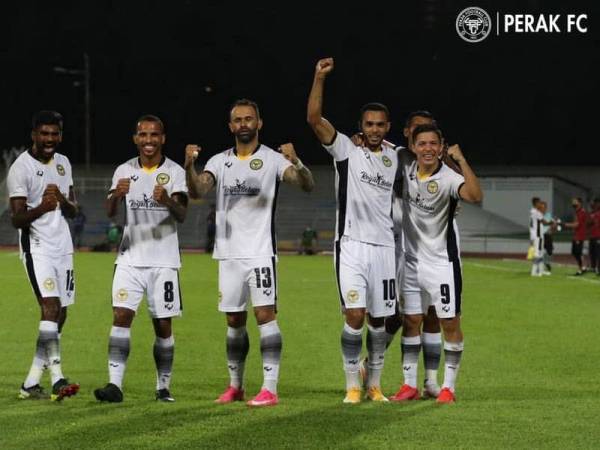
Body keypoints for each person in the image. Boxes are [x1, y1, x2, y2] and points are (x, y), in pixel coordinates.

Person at [185, 99, 314, 407]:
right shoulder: (218, 161)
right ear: (231, 126)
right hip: (228, 255)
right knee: (233, 320)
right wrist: (190, 166)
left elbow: (306, 185)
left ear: (259, 123)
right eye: (238, 120)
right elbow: (197, 191)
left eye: (249, 119)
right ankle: (236, 386)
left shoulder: (273, 159)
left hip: (260, 252)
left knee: (265, 315)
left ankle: (270, 388)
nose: (243, 123)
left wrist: (296, 162)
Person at [307, 57, 398, 404]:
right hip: (352, 246)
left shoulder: (397, 157)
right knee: (355, 316)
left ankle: (374, 384)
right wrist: (319, 77)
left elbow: (426, 160)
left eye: (379, 125)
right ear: (360, 126)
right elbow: (314, 120)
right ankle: (352, 386)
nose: (374, 130)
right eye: (368, 124)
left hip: (385, 250)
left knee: (379, 322)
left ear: (387, 126)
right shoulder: (346, 149)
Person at [94, 115, 188, 403]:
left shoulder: (174, 171)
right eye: (143, 135)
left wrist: (168, 201)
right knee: (121, 317)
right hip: (129, 259)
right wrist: (116, 196)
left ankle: (163, 387)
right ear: (135, 138)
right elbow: (110, 212)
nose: (149, 140)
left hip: (163, 262)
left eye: (154, 135)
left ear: (163, 138)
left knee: (163, 326)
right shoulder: (124, 170)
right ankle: (115, 386)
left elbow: (182, 214)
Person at [355, 111, 446, 399]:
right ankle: (372, 365)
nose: (423, 135)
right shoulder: (393, 155)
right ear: (406, 131)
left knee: (431, 312)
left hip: (427, 243)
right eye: (417, 129)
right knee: (391, 314)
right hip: (393, 240)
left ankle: (430, 380)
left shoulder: (437, 162)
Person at [395, 123, 482, 404]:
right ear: (413, 147)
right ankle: (409, 385)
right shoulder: (406, 169)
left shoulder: (448, 177)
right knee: (411, 321)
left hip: (440, 264)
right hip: (410, 264)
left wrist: (462, 160)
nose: (428, 149)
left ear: (441, 146)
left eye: (433, 144)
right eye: (422, 144)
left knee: (449, 321)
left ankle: (448, 387)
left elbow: (474, 196)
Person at [7, 110, 80, 401]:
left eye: (55, 134)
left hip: (63, 247)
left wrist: (62, 200)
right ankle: (58, 377)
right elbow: (16, 219)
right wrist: (42, 208)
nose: (50, 140)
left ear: (60, 135)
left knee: (60, 313)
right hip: (36, 248)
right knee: (50, 307)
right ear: (34, 135)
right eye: (44, 134)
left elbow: (74, 210)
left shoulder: (63, 163)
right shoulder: (20, 168)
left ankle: (30, 383)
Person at [529, 198, 554, 277]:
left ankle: (541, 271)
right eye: (539, 203)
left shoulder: (533, 211)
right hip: (538, 236)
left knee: (541, 253)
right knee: (538, 254)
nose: (540, 204)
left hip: (538, 235)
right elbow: (544, 222)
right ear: (536, 203)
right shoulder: (536, 212)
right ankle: (534, 272)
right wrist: (551, 222)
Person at [564, 197, 588, 275]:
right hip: (576, 235)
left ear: (580, 203)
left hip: (579, 235)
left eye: (575, 202)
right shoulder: (577, 212)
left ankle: (580, 269)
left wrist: (566, 224)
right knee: (575, 252)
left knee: (577, 252)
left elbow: (577, 224)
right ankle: (583, 266)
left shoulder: (581, 212)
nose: (573, 203)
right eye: (573, 202)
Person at [588, 198, 600, 275]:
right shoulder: (592, 213)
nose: (594, 204)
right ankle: (593, 267)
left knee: (598, 252)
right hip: (592, 235)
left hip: (598, 236)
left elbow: (596, 223)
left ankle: (598, 268)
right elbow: (588, 223)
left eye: (596, 203)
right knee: (592, 252)